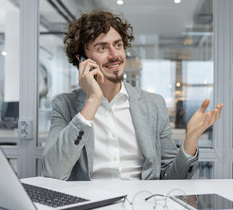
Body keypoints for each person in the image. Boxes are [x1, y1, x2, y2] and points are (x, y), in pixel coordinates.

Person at [42, 11, 223, 181]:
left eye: (118, 45)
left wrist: (190, 140)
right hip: (89, 207)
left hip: (141, 206)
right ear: (82, 59)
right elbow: (52, 172)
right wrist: (93, 100)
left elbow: (172, 178)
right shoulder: (65, 105)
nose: (115, 55)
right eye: (102, 48)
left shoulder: (153, 104)